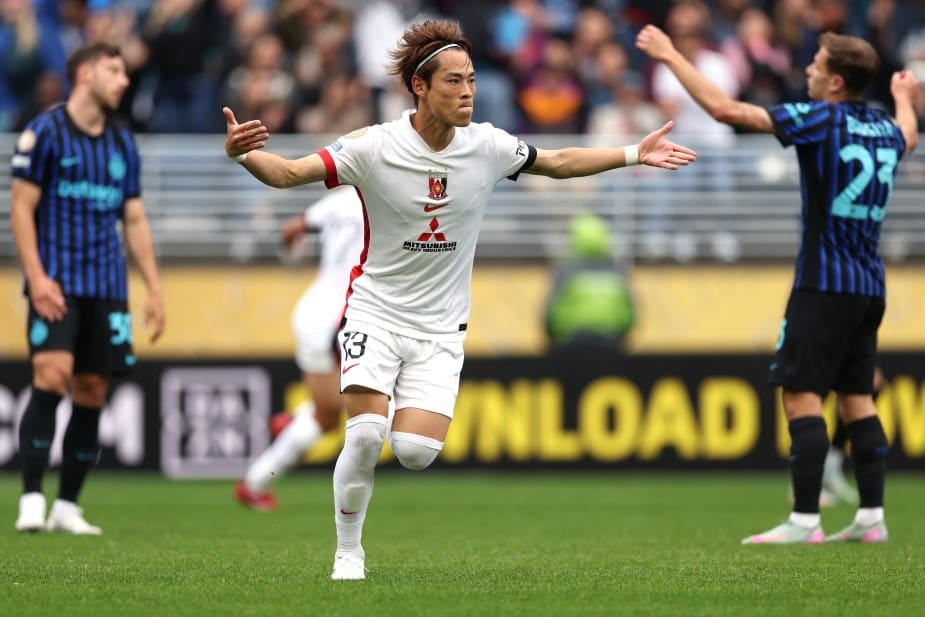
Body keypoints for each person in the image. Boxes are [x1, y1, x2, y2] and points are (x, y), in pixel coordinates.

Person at [223, 19, 696, 580]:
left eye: (471, 79)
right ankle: (348, 550)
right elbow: (289, 174)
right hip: (374, 311)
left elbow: (559, 163)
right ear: (420, 88)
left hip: (441, 330)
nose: (468, 91)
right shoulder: (372, 146)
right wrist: (243, 156)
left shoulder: (489, 146)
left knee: (416, 451)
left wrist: (631, 154)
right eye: (454, 81)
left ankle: (363, 416)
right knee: (367, 433)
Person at [637, 26, 917, 544]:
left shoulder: (820, 119)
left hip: (823, 283)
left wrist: (671, 54)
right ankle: (872, 518)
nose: (806, 69)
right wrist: (902, 98)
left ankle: (805, 521)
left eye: (815, 63)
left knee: (800, 395)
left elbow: (726, 110)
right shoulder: (882, 126)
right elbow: (909, 135)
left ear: (835, 82)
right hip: (869, 285)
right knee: (858, 400)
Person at [10, 42, 165, 535]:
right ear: (84, 73)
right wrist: (35, 277)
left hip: (107, 285)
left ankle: (68, 507)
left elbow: (134, 219)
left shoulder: (122, 144)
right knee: (52, 375)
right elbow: (20, 209)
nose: (123, 81)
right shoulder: (45, 133)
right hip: (55, 282)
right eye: (114, 71)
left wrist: (154, 290)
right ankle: (32, 496)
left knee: (93, 388)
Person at [235, 186, 364, 512]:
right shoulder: (387, 197)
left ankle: (290, 428)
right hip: (339, 317)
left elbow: (290, 229)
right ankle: (254, 482)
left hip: (315, 306)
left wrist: (296, 255)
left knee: (330, 415)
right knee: (333, 416)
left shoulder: (341, 198)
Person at [545, 213, 635, 351]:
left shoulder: (565, 271)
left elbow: (550, 315)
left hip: (570, 347)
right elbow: (630, 315)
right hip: (611, 346)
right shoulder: (617, 272)